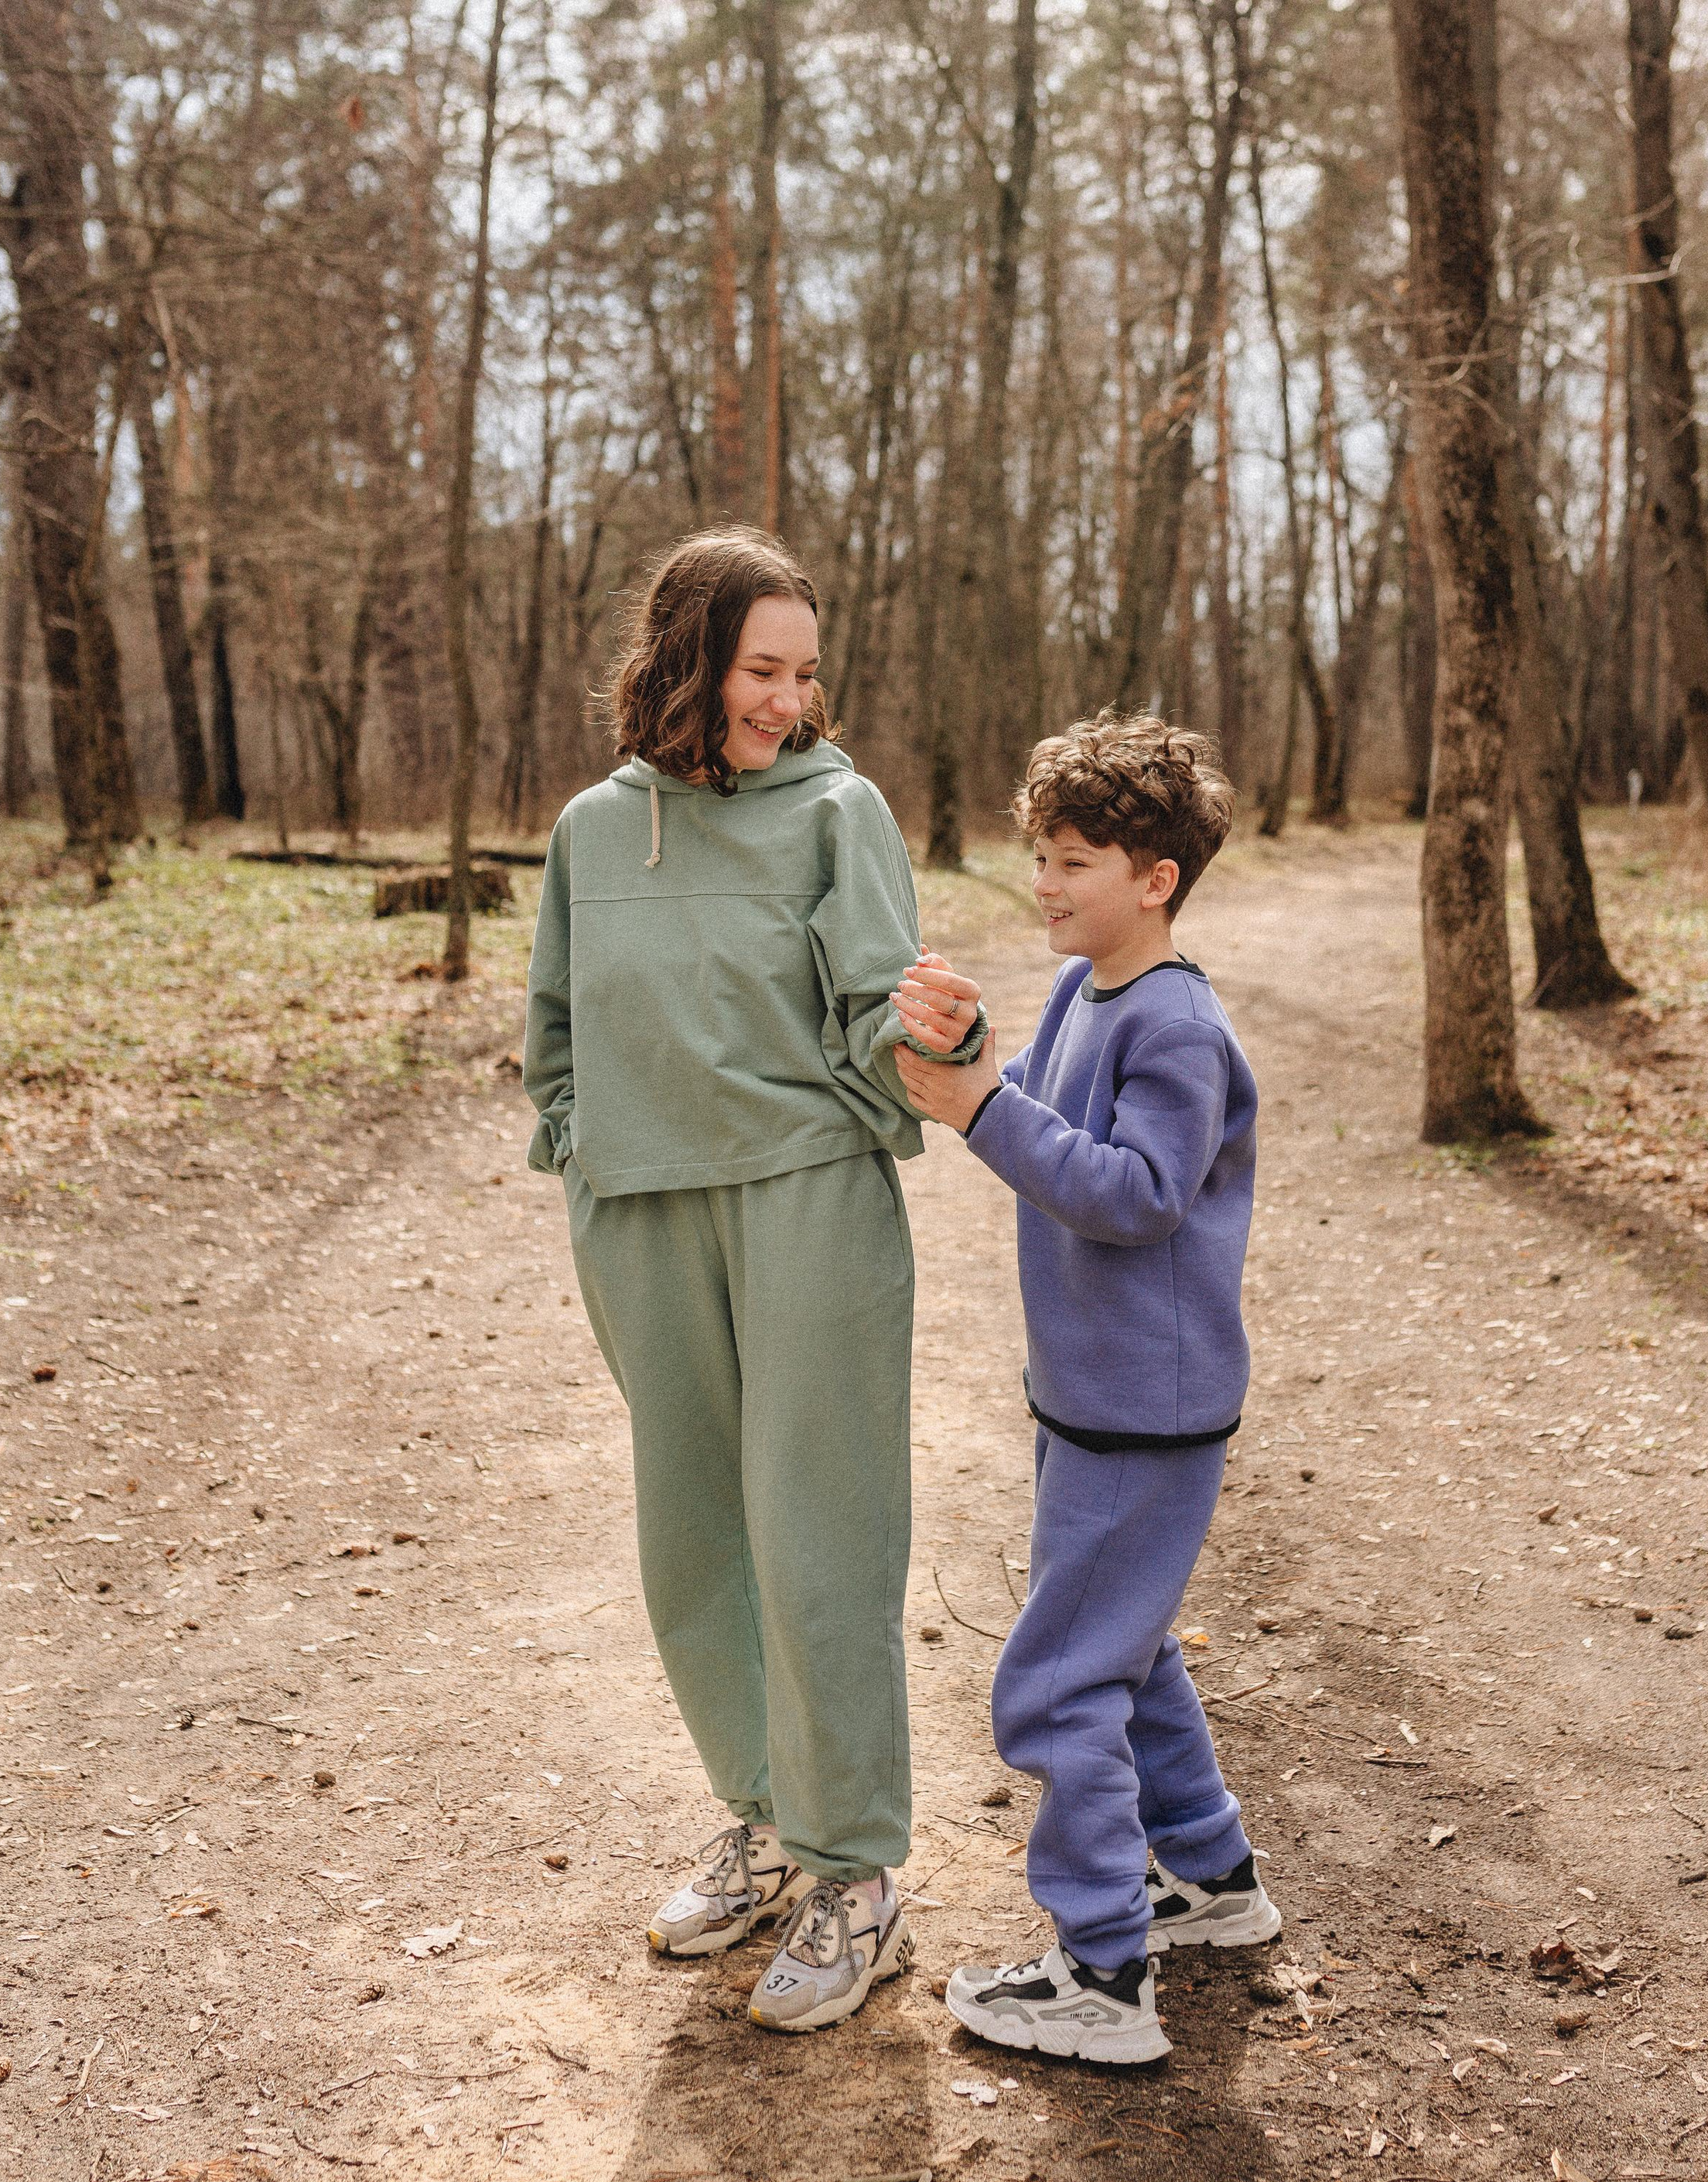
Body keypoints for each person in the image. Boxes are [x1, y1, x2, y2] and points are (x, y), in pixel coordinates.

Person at [524, 528, 983, 2034]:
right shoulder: (596, 833)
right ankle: (769, 1823)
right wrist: (587, 1154)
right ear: (687, 660)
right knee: (692, 1546)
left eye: (801, 672)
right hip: (645, 1214)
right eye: (758, 669)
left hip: (804, 1208)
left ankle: (857, 1879)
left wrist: (939, 1043)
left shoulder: (838, 814)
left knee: (816, 1538)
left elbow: (878, 1026)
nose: (787, 700)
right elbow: (557, 1029)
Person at [892, 714, 1278, 2065]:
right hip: (1090, 1398)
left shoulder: (1175, 1025)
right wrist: (975, 1045)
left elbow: (1138, 1194)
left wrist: (980, 1110)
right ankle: (1212, 1885)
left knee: (1059, 1684)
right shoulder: (1086, 992)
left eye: (1072, 862)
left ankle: (1105, 1976)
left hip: (1145, 1413)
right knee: (1129, 1647)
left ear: (1155, 877)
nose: (1044, 884)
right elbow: (1037, 1096)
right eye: (1041, 858)